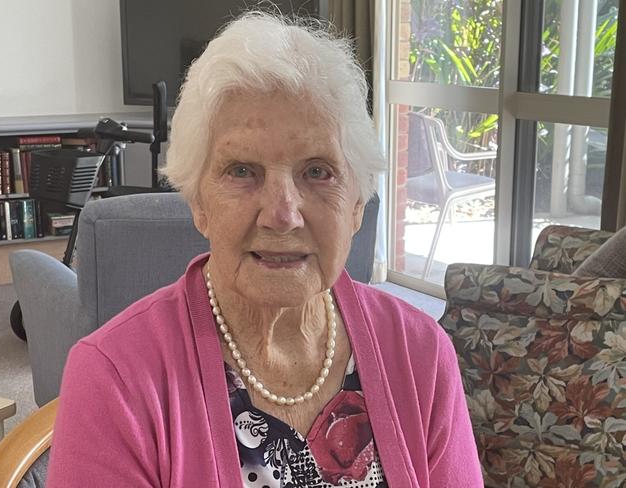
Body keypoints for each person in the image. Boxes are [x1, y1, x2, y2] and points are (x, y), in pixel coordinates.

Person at [47, 12, 483, 488]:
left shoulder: (420, 353)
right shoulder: (115, 379)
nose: (283, 213)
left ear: (357, 204)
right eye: (241, 171)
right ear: (198, 202)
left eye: (317, 171)